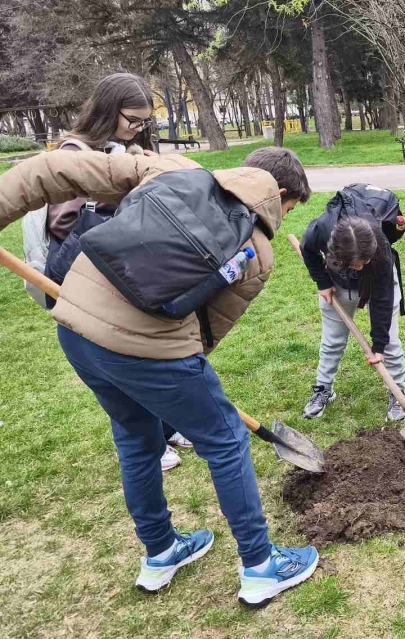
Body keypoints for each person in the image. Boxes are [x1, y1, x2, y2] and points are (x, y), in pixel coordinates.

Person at [0, 146, 319, 606]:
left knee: (136, 438)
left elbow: (56, 167)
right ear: (280, 193)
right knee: (226, 439)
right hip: (150, 351)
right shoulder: (257, 250)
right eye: (288, 208)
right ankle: (261, 566)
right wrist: (175, 389)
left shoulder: (171, 168)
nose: (282, 217)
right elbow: (209, 330)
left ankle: (161, 551)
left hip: (77, 329)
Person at [46, 73, 190, 471]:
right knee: (116, 358)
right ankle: (147, 442)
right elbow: (62, 223)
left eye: (144, 121)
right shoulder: (75, 153)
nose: (137, 128)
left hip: (121, 269)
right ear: (109, 111)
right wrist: (116, 203)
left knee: (141, 349)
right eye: (133, 120)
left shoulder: (122, 148)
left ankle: (167, 427)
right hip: (85, 277)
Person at [301, 207, 405, 422]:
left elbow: (382, 300)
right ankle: (324, 389)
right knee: (332, 340)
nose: (360, 267)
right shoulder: (321, 229)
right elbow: (307, 249)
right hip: (338, 284)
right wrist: (322, 282)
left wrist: (378, 346)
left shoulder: (381, 250)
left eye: (364, 262)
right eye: (356, 264)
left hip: (378, 283)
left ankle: (397, 392)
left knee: (390, 342)